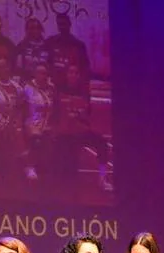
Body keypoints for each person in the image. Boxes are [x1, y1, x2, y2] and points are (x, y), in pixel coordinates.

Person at [54, 63, 112, 192]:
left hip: (80, 132)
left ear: (79, 76)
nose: (73, 75)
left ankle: (102, 178)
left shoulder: (84, 92)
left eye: (76, 73)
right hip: (64, 133)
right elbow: (56, 113)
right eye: (70, 72)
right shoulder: (59, 91)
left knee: (102, 143)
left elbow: (87, 115)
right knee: (69, 175)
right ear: (67, 74)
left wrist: (79, 115)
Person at [44, 12, 89, 90]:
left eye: (64, 24)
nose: (62, 27)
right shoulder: (50, 42)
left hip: (72, 87)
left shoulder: (79, 45)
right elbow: (45, 62)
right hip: (54, 86)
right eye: (59, 24)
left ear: (69, 24)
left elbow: (85, 68)